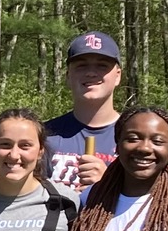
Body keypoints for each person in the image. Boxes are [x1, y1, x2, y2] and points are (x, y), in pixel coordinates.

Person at [42, 31, 123, 190]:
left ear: (118, 76)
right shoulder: (45, 135)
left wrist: (107, 185)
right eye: (81, 65)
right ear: (68, 76)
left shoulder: (134, 137)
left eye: (102, 65)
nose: (91, 72)